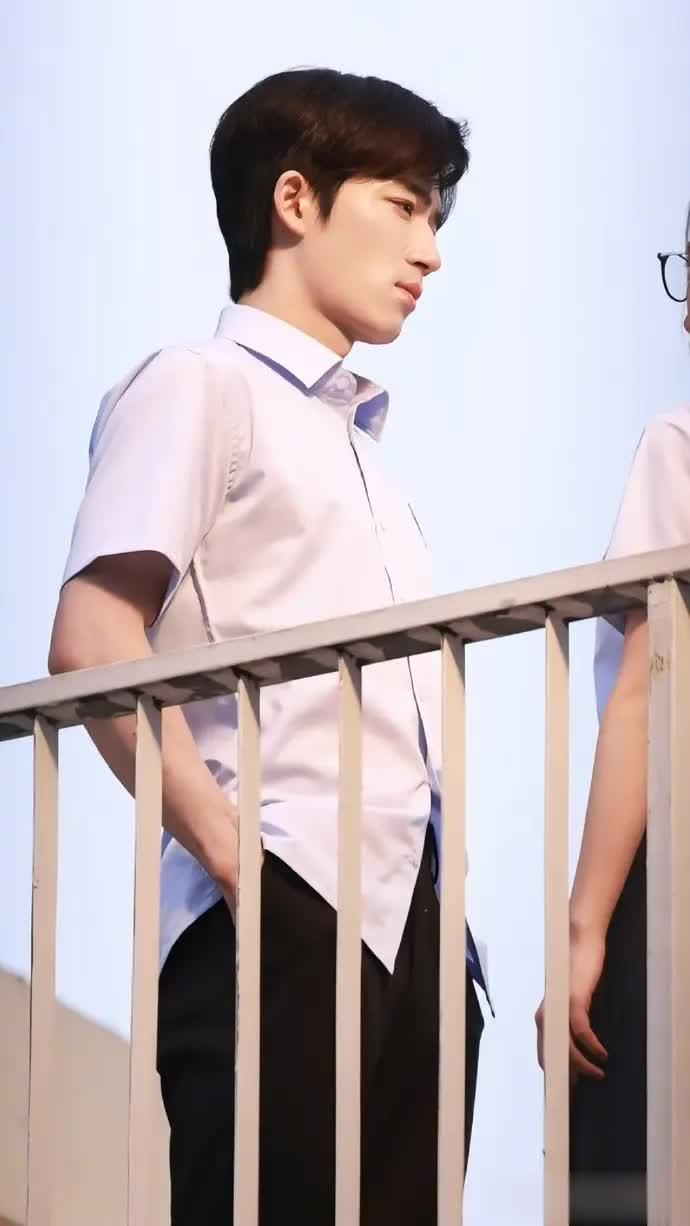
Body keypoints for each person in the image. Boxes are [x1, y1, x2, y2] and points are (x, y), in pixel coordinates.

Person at [48, 68, 489, 1225]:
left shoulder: (367, 453)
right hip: (282, 901)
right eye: (404, 205)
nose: (431, 249)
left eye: (435, 214)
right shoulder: (198, 384)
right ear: (296, 199)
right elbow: (93, 635)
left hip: (417, 931)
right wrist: (241, 857)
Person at [535, 205, 690, 1226]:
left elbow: (649, 685)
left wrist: (584, 928)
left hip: (673, 880)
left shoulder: (680, 443)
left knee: (634, 1166)